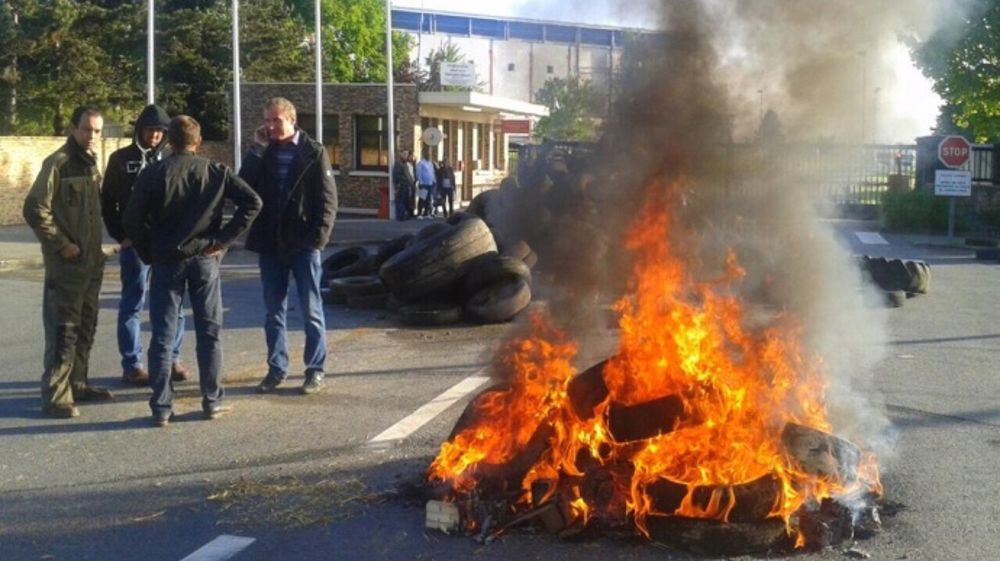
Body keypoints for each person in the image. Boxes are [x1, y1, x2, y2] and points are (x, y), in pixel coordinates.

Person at [123, 115, 261, 427]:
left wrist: (149, 252)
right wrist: (222, 240)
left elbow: (131, 221)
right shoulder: (215, 171)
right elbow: (252, 202)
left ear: (170, 141)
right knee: (209, 332)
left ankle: (161, 407)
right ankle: (212, 401)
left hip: (166, 260)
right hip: (203, 257)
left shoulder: (153, 173)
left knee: (162, 335)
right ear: (198, 142)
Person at [239, 97, 338, 395]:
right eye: (267, 121)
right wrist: (257, 149)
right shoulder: (264, 152)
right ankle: (276, 368)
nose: (270, 127)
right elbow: (243, 187)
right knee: (273, 312)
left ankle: (315, 369)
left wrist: (317, 239)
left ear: (292, 120)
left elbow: (327, 200)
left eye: (276, 121)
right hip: (271, 244)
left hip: (303, 244)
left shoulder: (313, 152)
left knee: (311, 309)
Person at [23, 106, 113, 418]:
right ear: (73, 129)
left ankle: (79, 384)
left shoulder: (90, 165)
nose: (92, 136)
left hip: (91, 264)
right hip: (67, 267)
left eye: (98, 131)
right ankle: (56, 396)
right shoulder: (58, 163)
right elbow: (35, 208)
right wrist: (62, 244)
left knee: (86, 326)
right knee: (64, 330)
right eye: (87, 129)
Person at [101, 104, 189, 387]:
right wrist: (120, 236)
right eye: (150, 129)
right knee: (132, 303)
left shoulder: (172, 158)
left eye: (160, 131)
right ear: (139, 130)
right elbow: (108, 203)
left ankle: (172, 358)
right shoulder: (120, 159)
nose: (154, 135)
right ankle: (133, 364)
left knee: (172, 304)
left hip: (167, 244)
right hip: (135, 245)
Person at [391, 150, 414, 221]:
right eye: (404, 154)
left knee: (406, 201)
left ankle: (404, 215)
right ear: (401, 154)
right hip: (402, 185)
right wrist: (398, 184)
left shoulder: (405, 164)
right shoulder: (398, 163)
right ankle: (400, 216)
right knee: (401, 201)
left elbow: (408, 175)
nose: (406, 156)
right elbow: (396, 175)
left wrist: (411, 183)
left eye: (406, 154)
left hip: (407, 185)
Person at [415, 152, 437, 218]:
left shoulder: (430, 163)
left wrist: (434, 180)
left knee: (428, 199)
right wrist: (420, 181)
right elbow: (418, 173)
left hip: (430, 183)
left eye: (430, 155)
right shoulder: (421, 163)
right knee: (422, 198)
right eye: (428, 155)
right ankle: (419, 213)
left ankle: (426, 213)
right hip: (423, 184)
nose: (429, 156)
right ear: (424, 155)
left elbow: (432, 172)